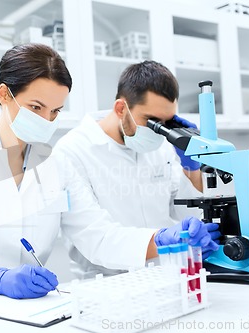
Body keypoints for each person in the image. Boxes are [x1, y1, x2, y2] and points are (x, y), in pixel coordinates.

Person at [0, 44, 218, 306]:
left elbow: (98, 236)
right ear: (5, 95)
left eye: (55, 111)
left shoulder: (57, 165)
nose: (46, 120)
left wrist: (162, 238)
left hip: (30, 312)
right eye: (36, 107)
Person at [54, 60, 220, 279]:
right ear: (121, 108)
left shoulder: (161, 148)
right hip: (108, 287)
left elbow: (187, 214)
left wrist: (192, 168)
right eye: (151, 121)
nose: (158, 130)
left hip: (167, 278)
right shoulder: (71, 152)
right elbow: (96, 240)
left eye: (166, 122)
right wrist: (161, 238)